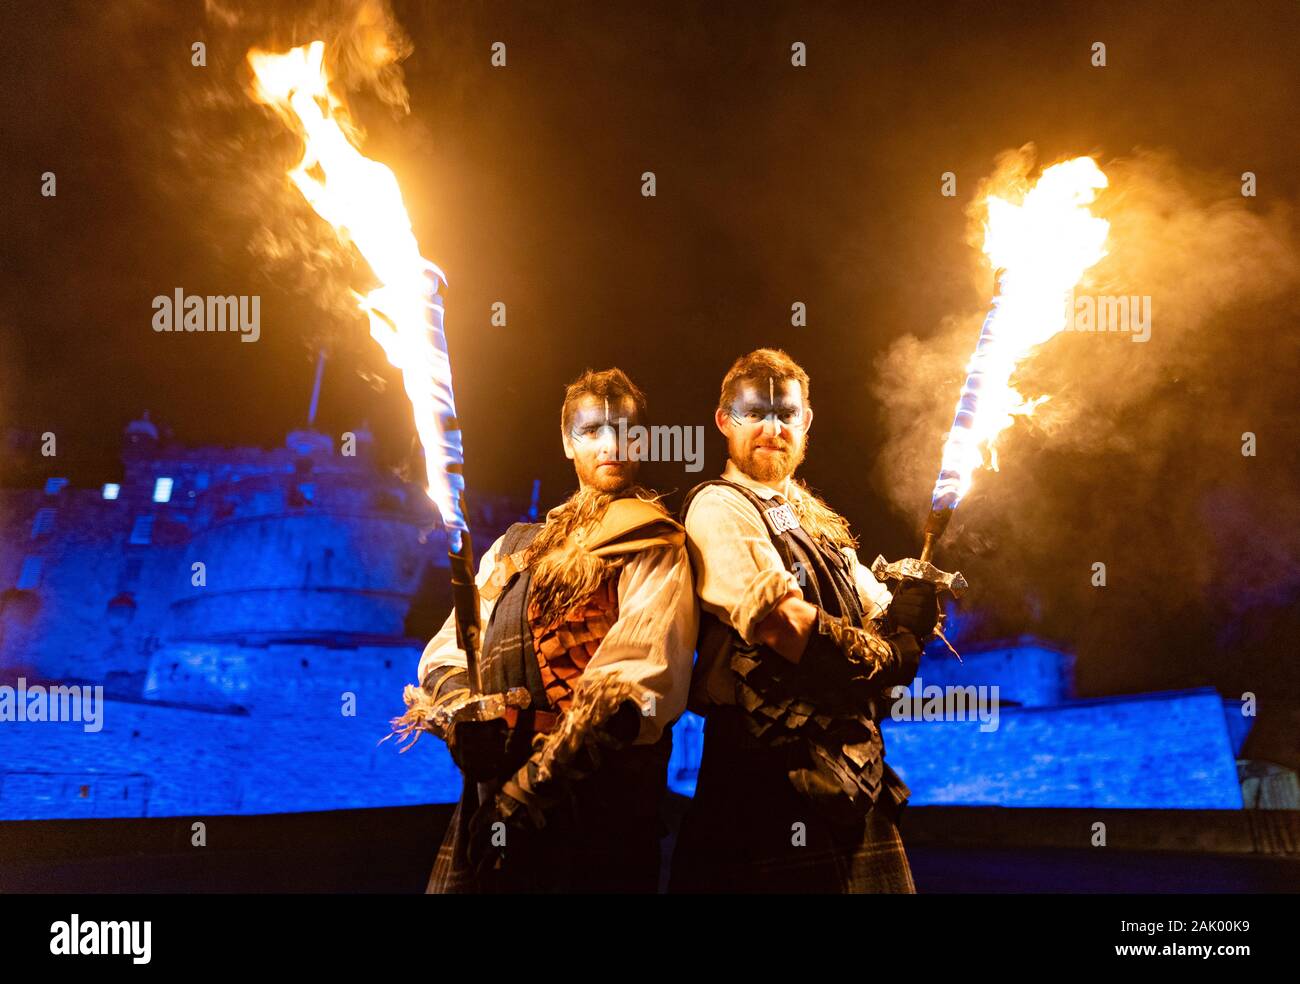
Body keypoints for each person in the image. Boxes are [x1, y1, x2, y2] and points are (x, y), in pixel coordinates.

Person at [393, 368, 697, 892]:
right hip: (489, 802)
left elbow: (638, 687)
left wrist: (525, 795)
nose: (611, 444)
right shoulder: (515, 548)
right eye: (591, 431)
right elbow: (447, 650)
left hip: (599, 813)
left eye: (625, 429)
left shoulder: (654, 541)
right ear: (566, 442)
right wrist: (466, 716)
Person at [669, 348, 938, 893]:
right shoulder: (720, 505)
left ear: (806, 423)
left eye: (787, 414)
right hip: (760, 782)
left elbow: (880, 613)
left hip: (851, 772)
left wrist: (914, 606)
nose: (773, 427)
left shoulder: (815, 523)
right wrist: (889, 651)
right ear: (724, 421)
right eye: (755, 413)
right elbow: (784, 626)